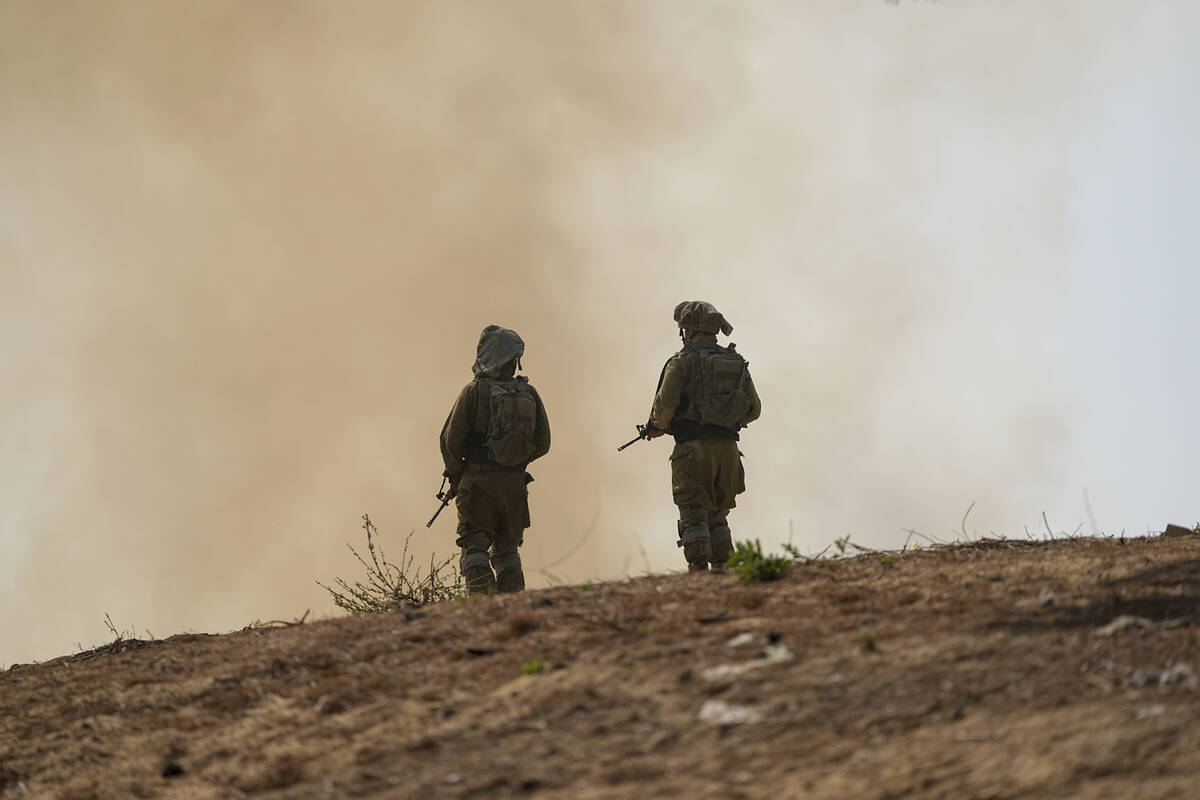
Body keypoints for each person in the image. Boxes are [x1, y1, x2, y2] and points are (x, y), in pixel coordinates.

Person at [644, 301, 761, 572]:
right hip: (729, 452)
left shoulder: (681, 363)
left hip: (693, 453)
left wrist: (656, 427)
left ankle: (699, 576)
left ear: (687, 330)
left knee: (694, 517)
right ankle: (725, 575)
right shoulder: (735, 361)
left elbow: (663, 411)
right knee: (718, 518)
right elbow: (754, 410)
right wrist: (726, 422)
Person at [439, 325, 551, 594]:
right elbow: (543, 443)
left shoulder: (474, 391)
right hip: (514, 486)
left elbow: (450, 440)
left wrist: (456, 476)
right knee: (508, 551)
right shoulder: (529, 393)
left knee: (475, 547)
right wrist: (514, 462)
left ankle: (484, 608)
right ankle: (512, 607)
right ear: (513, 359)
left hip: (478, 482)